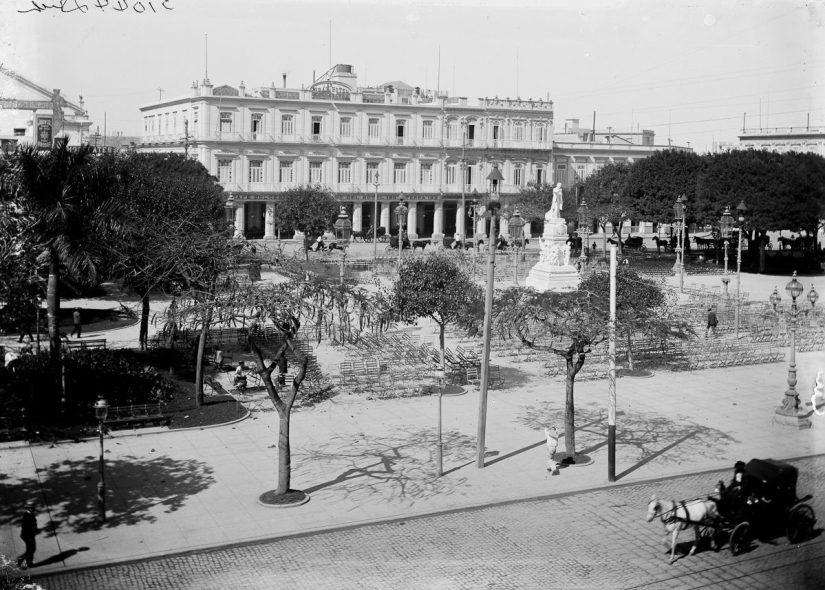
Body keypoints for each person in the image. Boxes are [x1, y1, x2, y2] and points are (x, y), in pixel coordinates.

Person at [16, 501, 38, 569]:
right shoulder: (26, 516)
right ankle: (21, 560)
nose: (34, 509)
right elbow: (26, 528)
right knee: (30, 550)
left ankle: (29, 562)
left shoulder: (31, 514)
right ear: (29, 508)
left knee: (32, 549)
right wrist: (29, 538)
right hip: (28, 536)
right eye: (32, 508)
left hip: (30, 535)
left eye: (33, 508)